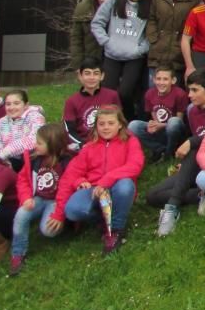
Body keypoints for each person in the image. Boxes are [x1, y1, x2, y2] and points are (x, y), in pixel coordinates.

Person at [47, 106, 144, 254]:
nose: (106, 127)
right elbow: (69, 177)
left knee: (126, 186)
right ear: (96, 126)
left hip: (117, 186)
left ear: (120, 125)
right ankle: (103, 220)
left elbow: (135, 166)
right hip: (93, 189)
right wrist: (60, 212)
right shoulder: (89, 147)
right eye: (102, 124)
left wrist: (106, 180)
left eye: (111, 123)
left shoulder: (131, 141)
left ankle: (116, 230)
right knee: (72, 210)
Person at [148, 69, 205, 236]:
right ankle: (204, 194)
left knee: (195, 148)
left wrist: (191, 142)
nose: (189, 94)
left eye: (195, 90)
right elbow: (196, 133)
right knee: (152, 196)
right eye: (189, 89)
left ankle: (172, 209)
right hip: (195, 166)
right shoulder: (193, 111)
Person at [8, 123, 70, 275]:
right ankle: (18, 253)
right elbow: (22, 180)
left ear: (53, 144)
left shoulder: (67, 162)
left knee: (48, 231)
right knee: (21, 215)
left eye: (39, 143)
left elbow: (68, 189)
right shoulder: (33, 159)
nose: (35, 145)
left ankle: (65, 224)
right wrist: (26, 198)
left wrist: (59, 214)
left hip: (56, 201)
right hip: (38, 198)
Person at [91, 0, 151, 120]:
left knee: (125, 92)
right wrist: (106, 42)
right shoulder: (114, 0)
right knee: (108, 92)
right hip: (112, 54)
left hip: (134, 56)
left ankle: (128, 121)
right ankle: (109, 122)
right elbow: (97, 23)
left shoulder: (149, 3)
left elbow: (152, 32)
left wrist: (141, 48)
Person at [146, 0, 204, 84]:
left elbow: (197, 25)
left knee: (177, 97)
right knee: (154, 94)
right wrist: (154, 39)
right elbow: (152, 18)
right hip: (158, 53)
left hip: (180, 55)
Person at [127, 66, 188, 162]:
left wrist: (162, 125)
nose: (161, 82)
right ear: (154, 80)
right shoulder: (150, 93)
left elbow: (179, 119)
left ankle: (170, 152)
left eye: (165, 79)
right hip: (160, 129)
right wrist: (153, 125)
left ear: (173, 80)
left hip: (175, 130)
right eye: (158, 79)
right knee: (133, 126)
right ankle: (160, 149)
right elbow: (154, 114)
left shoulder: (180, 94)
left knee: (173, 122)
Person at [62, 58, 121, 151]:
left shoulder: (112, 95)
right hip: (84, 144)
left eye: (96, 73)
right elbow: (69, 131)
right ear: (80, 76)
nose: (91, 77)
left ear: (102, 76)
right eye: (87, 73)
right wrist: (82, 144)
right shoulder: (71, 101)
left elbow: (119, 122)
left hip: (108, 141)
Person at [0, 90, 45, 171]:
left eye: (16, 103)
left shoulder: (35, 117)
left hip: (31, 158)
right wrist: (2, 159)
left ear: (26, 105)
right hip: (8, 159)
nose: (11, 107)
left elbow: (34, 139)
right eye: (8, 104)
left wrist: (6, 152)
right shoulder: (1, 122)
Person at [70, 0, 114, 69]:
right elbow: (76, 39)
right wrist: (78, 65)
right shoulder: (83, 9)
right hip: (90, 56)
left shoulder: (118, 8)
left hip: (112, 57)